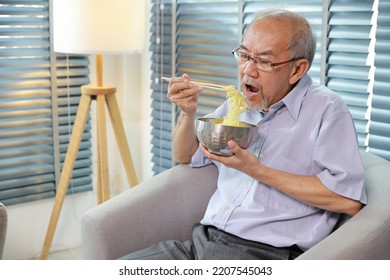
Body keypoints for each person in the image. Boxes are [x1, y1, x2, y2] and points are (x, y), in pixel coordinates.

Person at [120, 8, 367, 260]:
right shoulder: (237, 105)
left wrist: (257, 170)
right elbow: (185, 155)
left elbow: (347, 200)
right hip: (203, 241)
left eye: (263, 61)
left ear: (297, 69)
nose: (248, 71)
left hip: (265, 254)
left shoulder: (327, 110)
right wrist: (187, 113)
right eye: (244, 55)